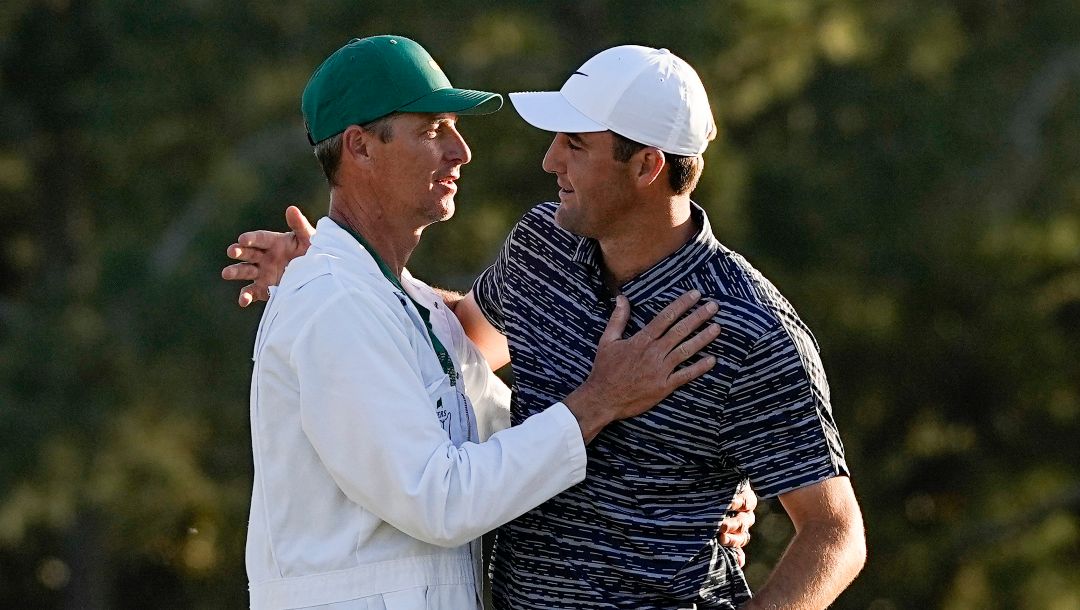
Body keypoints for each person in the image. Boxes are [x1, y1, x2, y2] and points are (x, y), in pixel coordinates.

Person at [239, 35, 735, 610]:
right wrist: (601, 398)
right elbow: (440, 500)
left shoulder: (401, 306)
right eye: (432, 130)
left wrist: (704, 492)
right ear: (360, 148)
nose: (461, 151)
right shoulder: (333, 305)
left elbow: (511, 444)